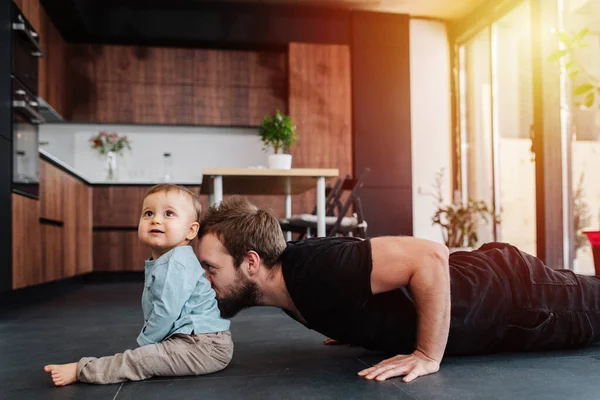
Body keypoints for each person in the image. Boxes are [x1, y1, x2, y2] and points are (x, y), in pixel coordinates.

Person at [196, 196, 600, 383]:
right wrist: (352, 320)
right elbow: (354, 289)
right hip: (502, 305)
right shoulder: (289, 289)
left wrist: (427, 354)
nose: (205, 279)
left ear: (250, 262)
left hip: (520, 299)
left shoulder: (316, 272)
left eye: (209, 268)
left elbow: (429, 257)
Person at [44, 184, 233, 386]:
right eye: (148, 213)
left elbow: (166, 312)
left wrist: (146, 346)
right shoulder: (169, 259)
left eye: (169, 213)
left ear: (191, 230)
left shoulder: (177, 263)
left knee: (138, 361)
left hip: (205, 346)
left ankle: (82, 370)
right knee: (144, 357)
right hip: (194, 340)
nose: (156, 219)